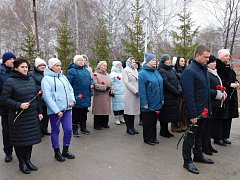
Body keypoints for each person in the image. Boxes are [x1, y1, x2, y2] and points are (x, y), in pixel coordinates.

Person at [2, 58, 42, 174]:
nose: (25, 69)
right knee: (20, 141)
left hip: (31, 116)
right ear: (16, 68)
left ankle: (28, 160)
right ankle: (22, 163)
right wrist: (18, 105)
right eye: (22, 67)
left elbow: (36, 97)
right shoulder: (10, 81)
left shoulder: (31, 79)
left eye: (26, 67)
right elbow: (4, 99)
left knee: (30, 140)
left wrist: (39, 112)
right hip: (18, 117)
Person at [181, 45, 214, 174]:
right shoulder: (190, 71)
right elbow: (188, 95)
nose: (208, 59)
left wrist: (208, 109)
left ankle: (198, 156)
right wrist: (193, 114)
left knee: (200, 135)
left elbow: (204, 92)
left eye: (208, 57)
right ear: (197, 55)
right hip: (194, 113)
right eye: (205, 57)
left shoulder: (203, 69)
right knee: (190, 137)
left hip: (204, 111)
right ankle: (187, 161)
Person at [41, 58, 75, 162]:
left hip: (67, 109)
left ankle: (65, 150)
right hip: (55, 111)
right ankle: (57, 152)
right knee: (55, 131)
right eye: (56, 65)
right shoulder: (46, 79)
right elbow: (47, 97)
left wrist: (72, 100)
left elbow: (70, 89)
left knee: (69, 130)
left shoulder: (63, 76)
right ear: (51, 67)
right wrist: (57, 111)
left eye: (60, 65)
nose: (59, 67)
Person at [214, 49, 239, 146]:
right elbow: (220, 81)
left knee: (228, 117)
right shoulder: (218, 67)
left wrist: (236, 82)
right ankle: (217, 137)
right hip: (223, 95)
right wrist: (229, 84)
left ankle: (225, 136)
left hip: (231, 96)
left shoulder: (228, 67)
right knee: (220, 117)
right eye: (226, 56)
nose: (228, 57)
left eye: (229, 56)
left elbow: (232, 77)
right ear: (221, 57)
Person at [139, 53, 164, 145]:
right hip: (148, 102)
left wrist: (162, 98)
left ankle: (153, 137)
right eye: (153, 60)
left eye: (155, 60)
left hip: (156, 100)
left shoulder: (156, 71)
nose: (155, 61)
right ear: (148, 62)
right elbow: (142, 90)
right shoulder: (142, 73)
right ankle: (147, 138)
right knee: (147, 121)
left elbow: (161, 86)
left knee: (153, 121)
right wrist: (144, 103)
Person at [203, 55, 225, 155]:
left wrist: (223, 93)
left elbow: (218, 86)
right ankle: (205, 146)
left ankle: (208, 145)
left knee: (210, 126)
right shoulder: (207, 73)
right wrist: (218, 94)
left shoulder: (214, 73)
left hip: (216, 102)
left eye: (215, 62)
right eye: (212, 62)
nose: (214, 64)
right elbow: (207, 89)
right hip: (210, 102)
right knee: (207, 127)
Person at [67, 55, 93, 137]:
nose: (81, 62)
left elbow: (90, 79)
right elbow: (69, 83)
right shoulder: (72, 71)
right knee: (76, 113)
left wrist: (92, 84)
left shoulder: (86, 70)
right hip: (77, 95)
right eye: (79, 60)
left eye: (82, 60)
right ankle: (75, 129)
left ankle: (83, 127)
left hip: (86, 94)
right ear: (75, 61)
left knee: (84, 112)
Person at [158, 54, 182, 137]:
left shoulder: (171, 70)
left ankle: (166, 130)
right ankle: (163, 130)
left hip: (173, 95)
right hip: (167, 95)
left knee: (169, 114)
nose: (169, 61)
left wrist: (179, 89)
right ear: (163, 61)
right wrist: (176, 91)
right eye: (167, 60)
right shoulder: (161, 70)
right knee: (165, 114)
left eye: (169, 59)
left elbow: (177, 81)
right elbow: (166, 83)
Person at [0, 52, 16, 162]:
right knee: (7, 131)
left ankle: (21, 152)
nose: (12, 61)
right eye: (10, 59)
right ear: (4, 60)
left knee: (18, 130)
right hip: (5, 107)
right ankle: (8, 152)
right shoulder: (1, 73)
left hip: (18, 105)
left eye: (13, 59)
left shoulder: (17, 71)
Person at [29, 58, 50, 137]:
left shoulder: (47, 73)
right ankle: (39, 131)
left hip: (47, 97)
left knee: (46, 114)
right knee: (39, 114)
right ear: (36, 66)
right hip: (38, 97)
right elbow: (31, 85)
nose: (42, 66)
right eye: (40, 65)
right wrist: (42, 89)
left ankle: (45, 129)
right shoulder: (32, 74)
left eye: (44, 65)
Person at [92, 61, 114, 130]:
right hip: (99, 95)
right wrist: (104, 87)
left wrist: (112, 90)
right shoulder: (95, 74)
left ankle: (105, 123)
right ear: (99, 66)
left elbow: (111, 83)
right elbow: (95, 84)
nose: (105, 67)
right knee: (99, 110)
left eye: (106, 65)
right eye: (103, 65)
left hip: (107, 95)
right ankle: (97, 124)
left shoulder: (107, 74)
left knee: (106, 109)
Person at [122, 57, 140, 135]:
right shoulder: (125, 70)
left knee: (133, 111)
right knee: (128, 111)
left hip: (136, 92)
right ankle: (128, 128)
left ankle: (132, 127)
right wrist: (135, 91)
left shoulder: (135, 70)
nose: (134, 63)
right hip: (129, 93)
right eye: (132, 62)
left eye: (134, 62)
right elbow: (126, 82)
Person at [173, 56, 187, 132]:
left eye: (184, 61)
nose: (183, 62)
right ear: (178, 61)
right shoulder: (174, 70)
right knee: (177, 110)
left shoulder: (185, 70)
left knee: (183, 110)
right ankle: (174, 126)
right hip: (178, 93)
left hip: (184, 93)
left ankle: (182, 124)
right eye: (181, 61)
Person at [110, 61, 125, 125]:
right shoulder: (113, 74)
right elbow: (111, 83)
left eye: (120, 65)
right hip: (116, 91)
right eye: (118, 65)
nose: (119, 66)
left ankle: (121, 117)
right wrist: (112, 89)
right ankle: (116, 118)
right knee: (116, 105)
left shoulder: (123, 72)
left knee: (122, 105)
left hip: (123, 91)